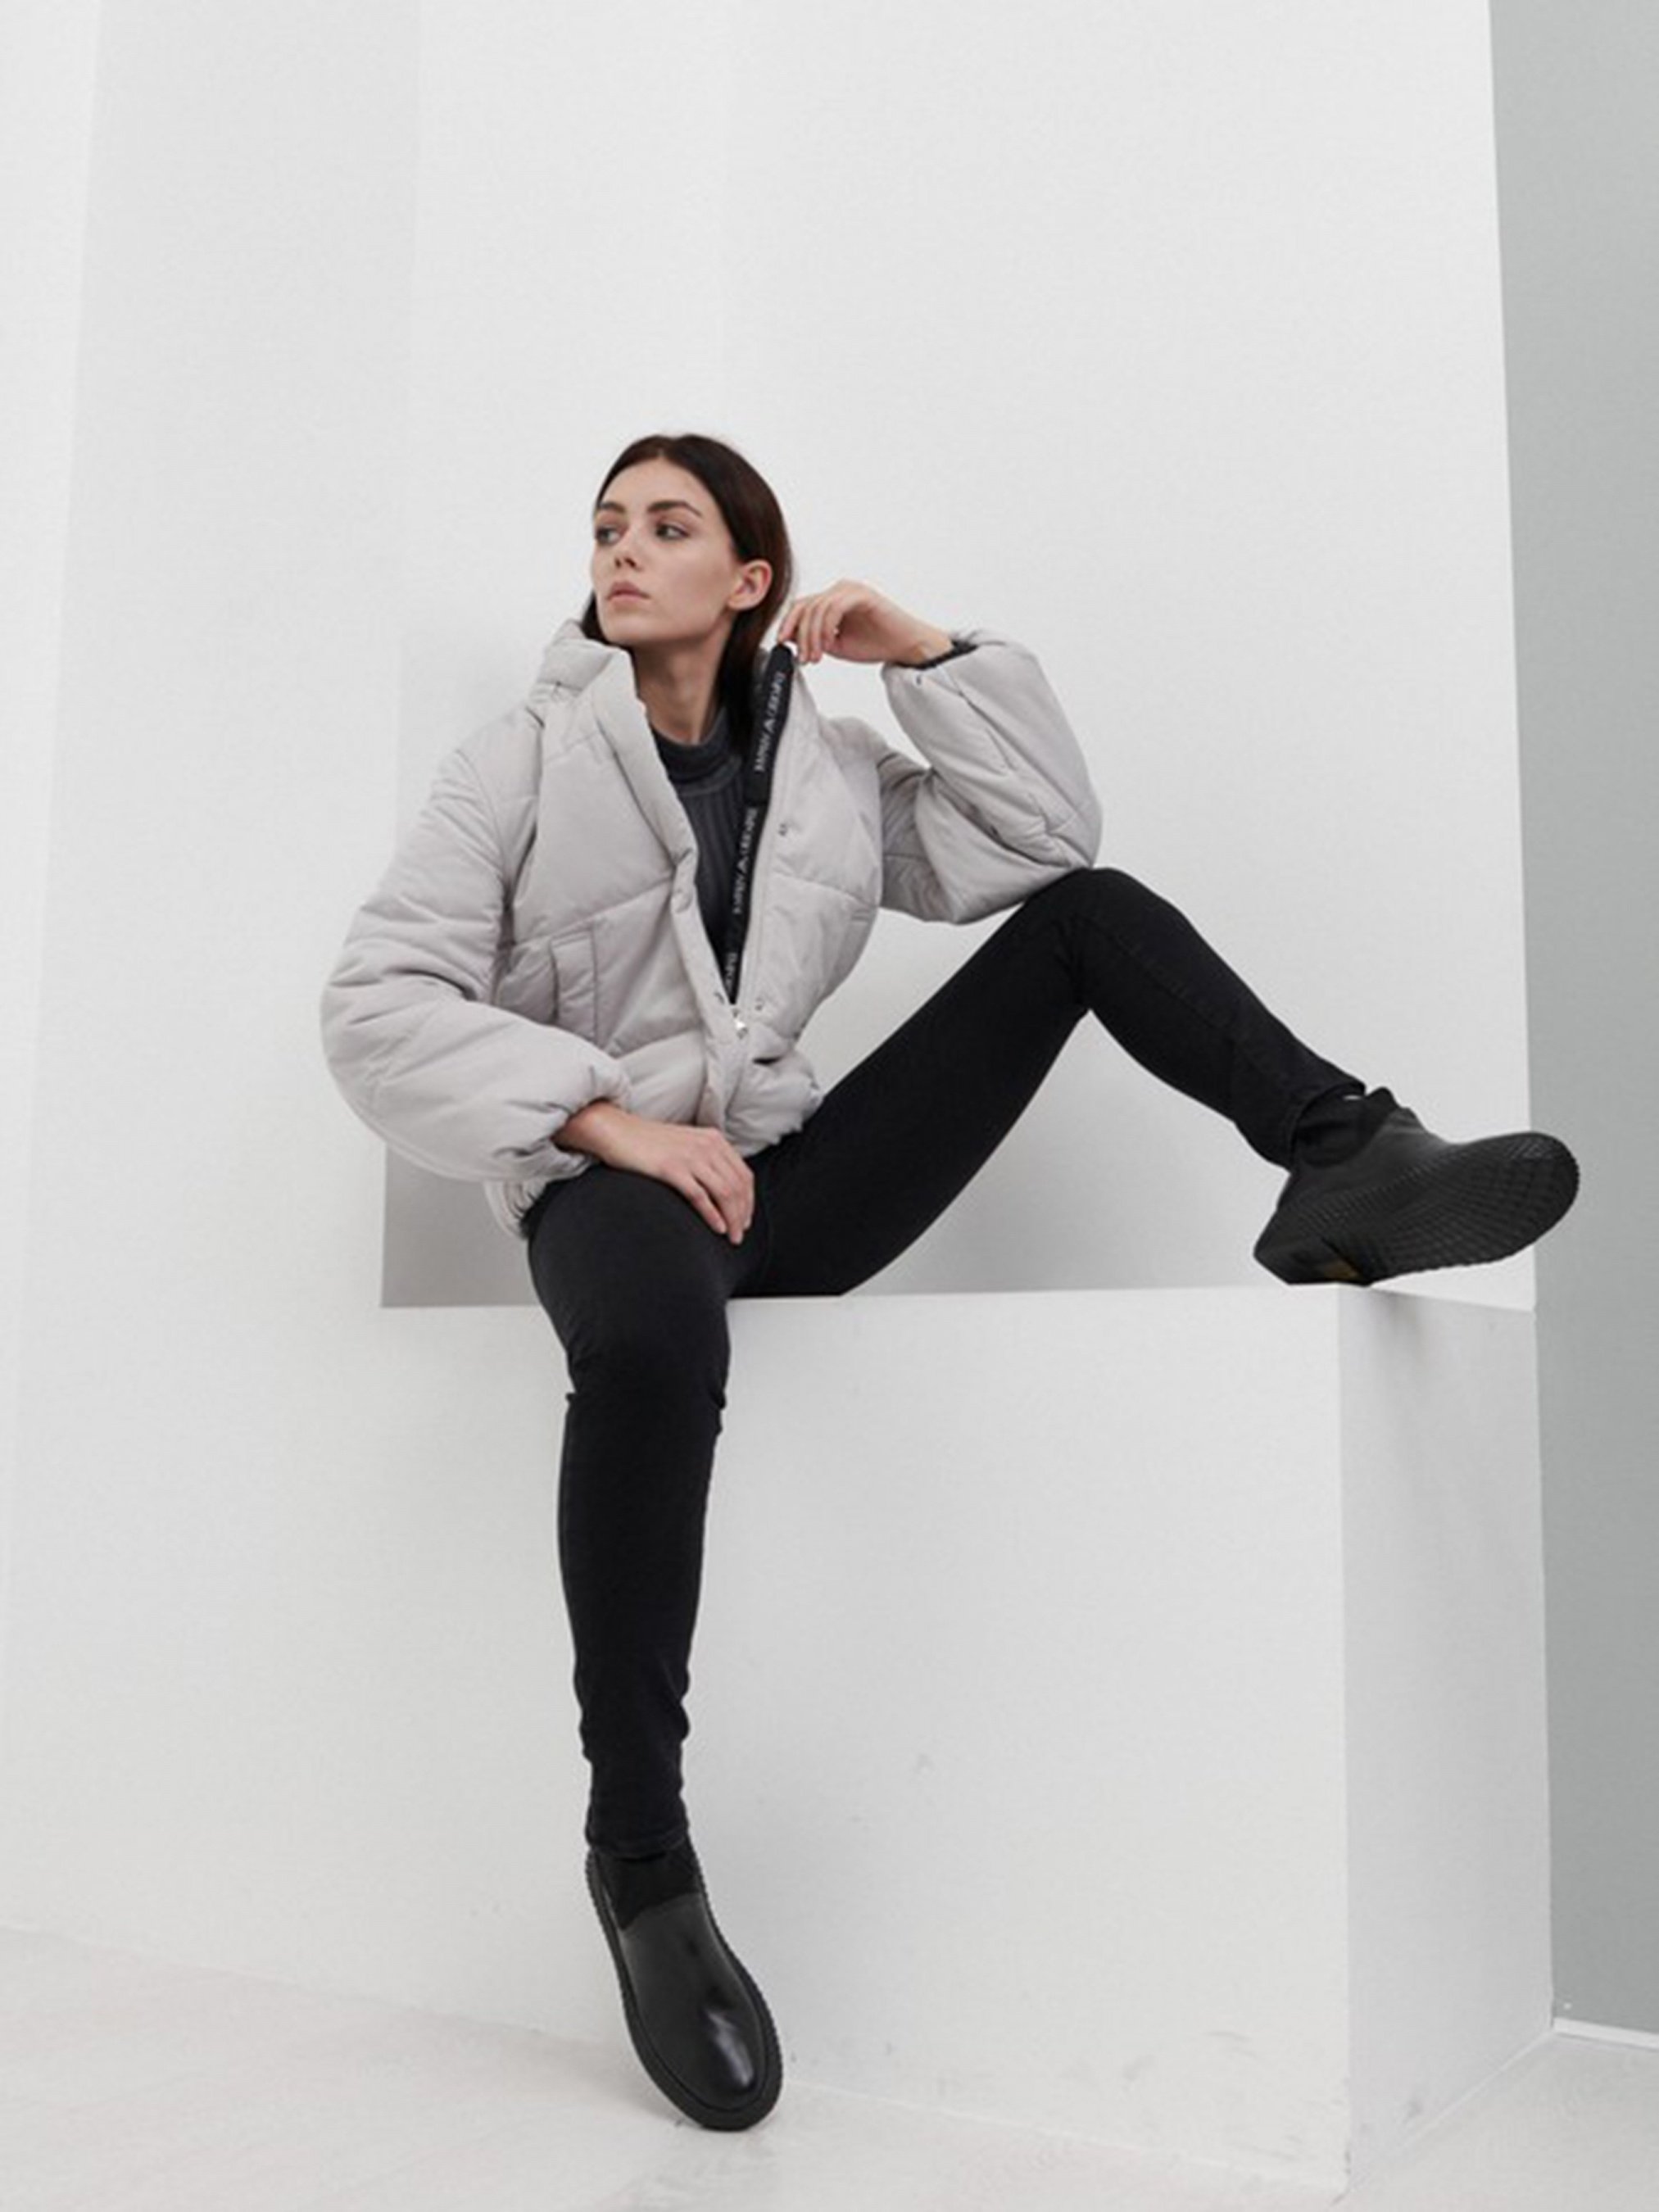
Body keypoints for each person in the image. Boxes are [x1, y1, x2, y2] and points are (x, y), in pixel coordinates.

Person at [319, 430, 1578, 2133]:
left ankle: (1343, 1152)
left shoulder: (829, 772)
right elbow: (376, 1008)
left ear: (748, 578)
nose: (622, 549)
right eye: (607, 524)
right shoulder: (517, 764)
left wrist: (922, 656)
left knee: (1089, 915)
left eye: (668, 526)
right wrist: (609, 1125)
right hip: (607, 1185)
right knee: (649, 1352)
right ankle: (642, 1858)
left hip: (784, 1189)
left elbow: (1040, 836)